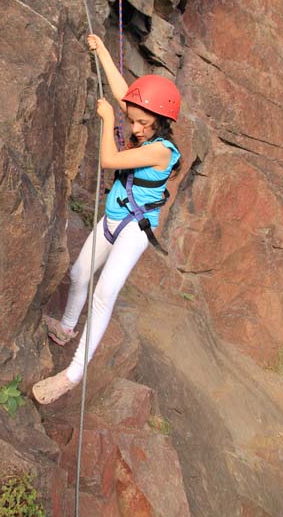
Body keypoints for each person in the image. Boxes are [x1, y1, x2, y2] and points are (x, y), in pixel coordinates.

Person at [32, 33, 181, 404]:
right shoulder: (143, 123)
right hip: (115, 216)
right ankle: (67, 328)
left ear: (161, 122)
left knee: (103, 293)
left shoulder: (162, 151)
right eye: (134, 122)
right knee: (80, 274)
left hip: (135, 228)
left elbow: (110, 161)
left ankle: (71, 375)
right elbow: (123, 94)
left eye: (144, 124)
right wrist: (101, 52)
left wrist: (107, 121)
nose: (136, 129)